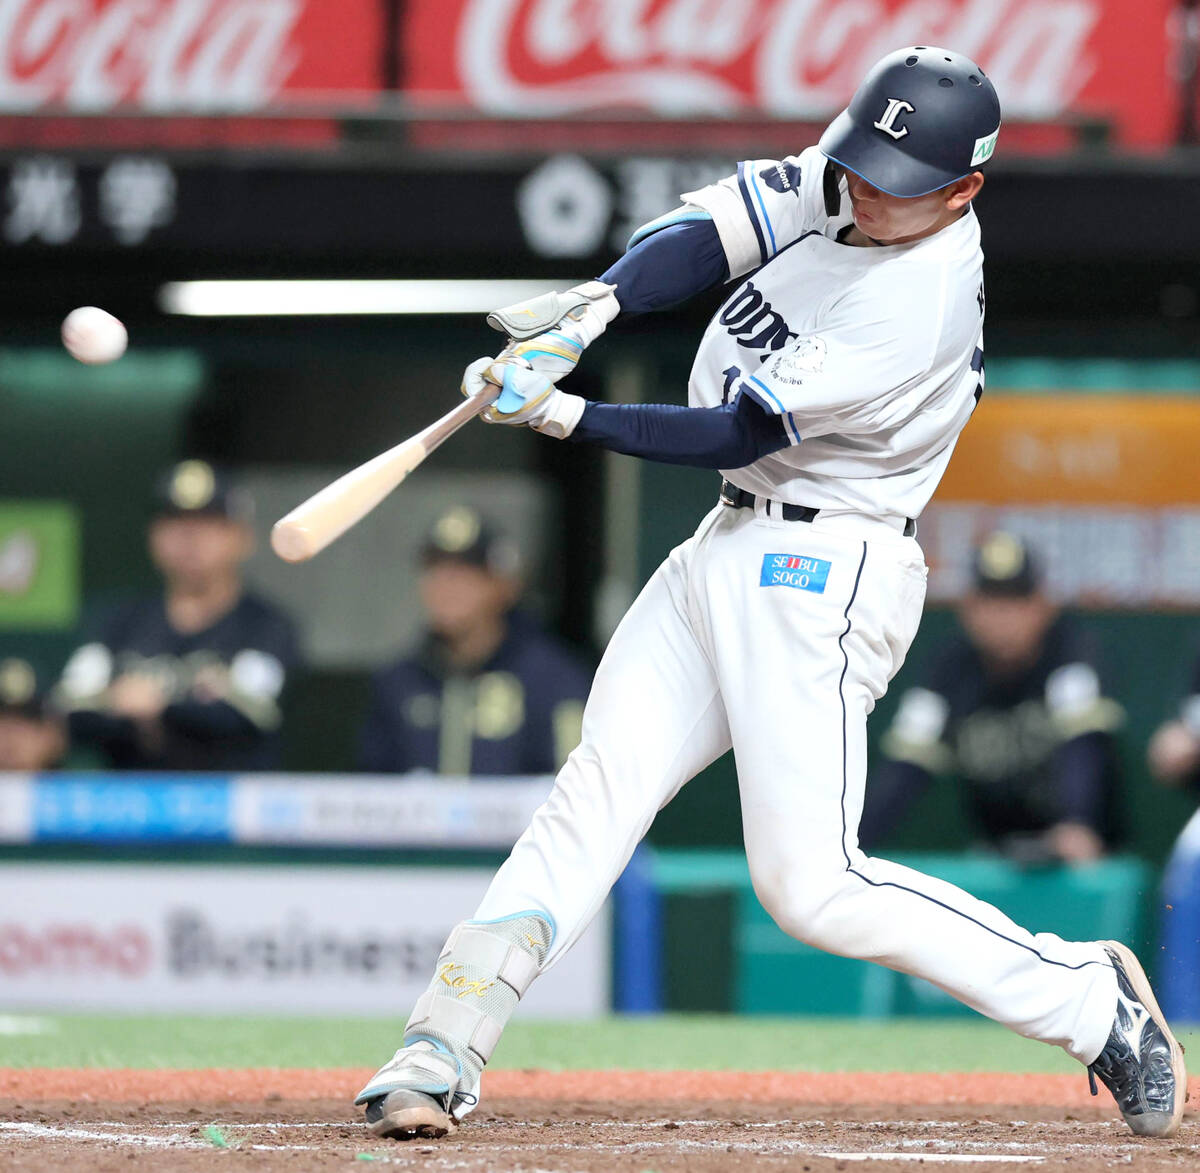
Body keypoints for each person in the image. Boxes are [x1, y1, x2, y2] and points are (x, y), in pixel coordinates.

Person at [355, 47, 1185, 1140]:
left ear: (964, 189)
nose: (869, 189)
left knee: (813, 887)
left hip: (823, 570)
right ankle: (444, 1038)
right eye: (864, 160)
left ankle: (1089, 1000)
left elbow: (735, 431)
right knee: (600, 784)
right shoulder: (854, 176)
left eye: (903, 179)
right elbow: (708, 232)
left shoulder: (919, 300)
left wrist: (565, 416)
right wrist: (594, 308)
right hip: (725, 542)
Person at [860, 532, 1122, 864]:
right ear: (969, 608)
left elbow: (1084, 747)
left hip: (1082, 858)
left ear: (1043, 606)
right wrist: (851, 845)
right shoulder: (950, 669)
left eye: (1017, 602)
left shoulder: (1070, 652)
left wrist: (1079, 822)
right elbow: (904, 770)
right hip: (994, 856)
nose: (1004, 618)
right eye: (991, 601)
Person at [55, 460, 299, 771]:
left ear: (242, 537)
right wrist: (190, 707)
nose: (189, 537)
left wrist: (154, 708)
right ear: (152, 536)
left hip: (234, 807)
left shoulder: (267, 625)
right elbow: (70, 710)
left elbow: (245, 718)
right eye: (175, 522)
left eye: (208, 523)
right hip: (128, 805)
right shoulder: (119, 621)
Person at [358, 506, 592, 776]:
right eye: (435, 571)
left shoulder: (554, 678)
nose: (446, 586)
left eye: (465, 573)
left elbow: (575, 786)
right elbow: (371, 786)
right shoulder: (398, 681)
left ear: (504, 585)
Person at [0, 658, 66, 771]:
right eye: (2, 721)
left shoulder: (81, 786)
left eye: (25, 722)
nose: (11, 736)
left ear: (53, 735)